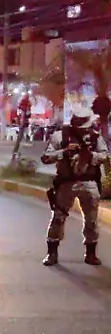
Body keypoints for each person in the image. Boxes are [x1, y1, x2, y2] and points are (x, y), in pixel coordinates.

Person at [42, 106, 108, 266]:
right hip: (67, 183)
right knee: (58, 218)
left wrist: (90, 155)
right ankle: (52, 252)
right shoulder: (60, 136)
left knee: (91, 220)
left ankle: (90, 253)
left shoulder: (95, 137)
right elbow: (46, 157)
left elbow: (105, 155)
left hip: (89, 182)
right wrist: (64, 152)